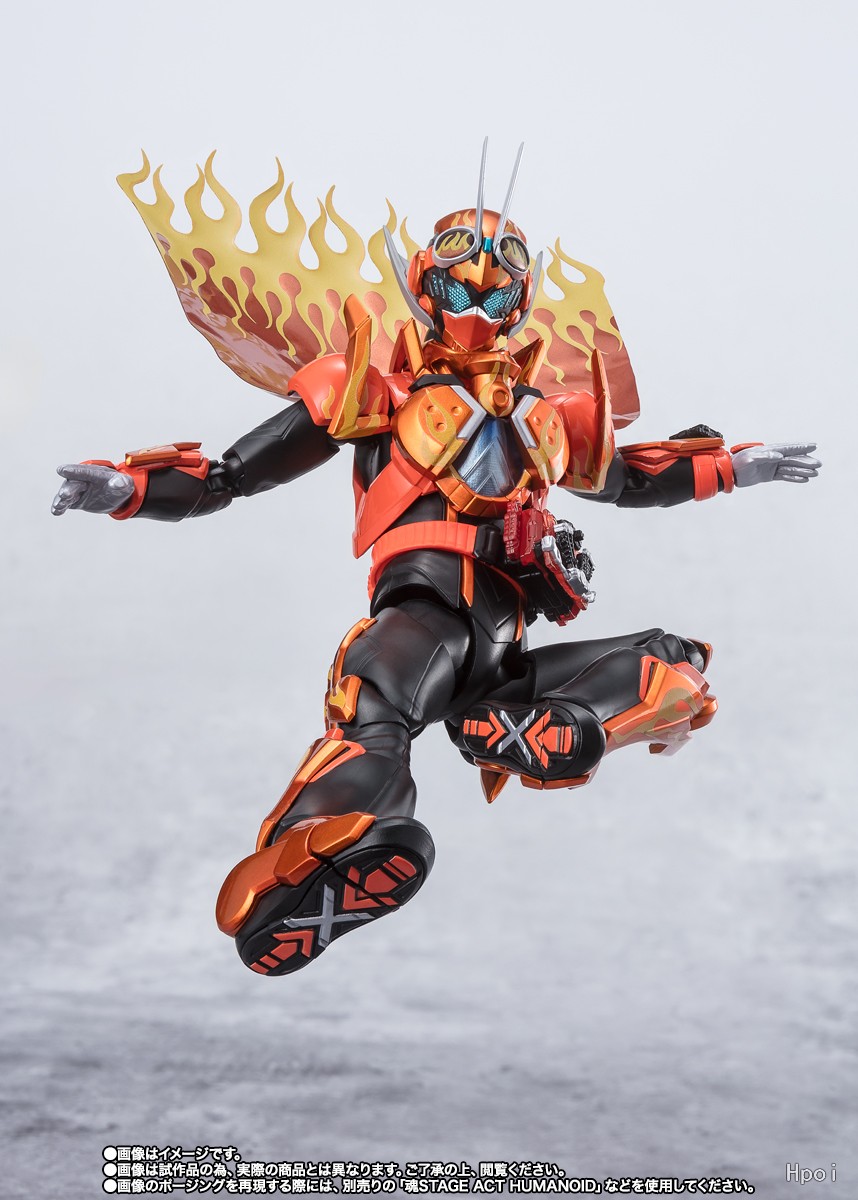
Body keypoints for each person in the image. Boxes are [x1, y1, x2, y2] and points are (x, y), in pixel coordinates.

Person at [51, 143, 820, 975]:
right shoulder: (371, 389)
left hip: (505, 654)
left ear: (524, 300)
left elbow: (630, 478)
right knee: (371, 709)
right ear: (423, 283)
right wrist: (127, 486)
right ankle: (310, 859)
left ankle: (546, 728)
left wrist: (734, 465)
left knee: (678, 666)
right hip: (423, 613)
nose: (478, 295)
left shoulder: (552, 416)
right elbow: (232, 474)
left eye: (499, 282)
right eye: (459, 279)